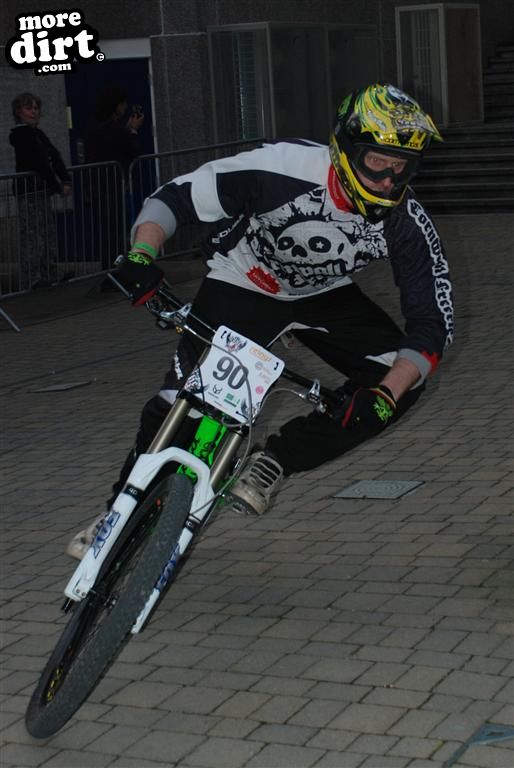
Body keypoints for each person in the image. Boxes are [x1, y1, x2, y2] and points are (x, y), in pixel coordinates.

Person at [67, 83, 454, 559]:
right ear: (346, 149)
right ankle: (117, 512)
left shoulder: (407, 221)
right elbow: (176, 197)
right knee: (181, 403)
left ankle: (274, 460)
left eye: (402, 168)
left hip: (324, 295)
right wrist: (141, 254)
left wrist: (384, 396)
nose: (389, 182)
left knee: (401, 381)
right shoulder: (281, 168)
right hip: (244, 281)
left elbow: (431, 323)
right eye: (378, 163)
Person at [9, 92, 72, 289]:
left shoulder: (38, 134)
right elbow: (38, 163)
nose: (34, 112)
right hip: (28, 191)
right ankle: (32, 277)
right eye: (28, 108)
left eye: (36, 108)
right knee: (32, 234)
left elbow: (54, 155)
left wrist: (65, 178)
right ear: (19, 112)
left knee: (47, 232)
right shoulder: (20, 135)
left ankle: (49, 272)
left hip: (42, 191)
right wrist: (57, 185)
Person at [85, 84, 144, 274]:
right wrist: (132, 131)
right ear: (116, 105)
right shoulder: (112, 128)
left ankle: (113, 268)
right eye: (123, 103)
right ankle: (116, 269)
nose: (125, 107)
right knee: (116, 230)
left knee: (111, 229)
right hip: (111, 185)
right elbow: (129, 150)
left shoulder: (97, 126)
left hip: (100, 184)